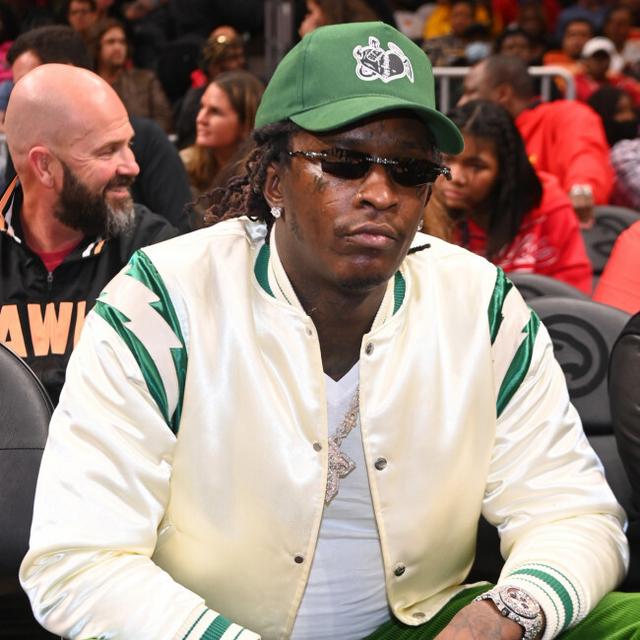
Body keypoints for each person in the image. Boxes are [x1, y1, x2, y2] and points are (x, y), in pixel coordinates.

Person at [20, 21, 637, 640]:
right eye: (343, 162)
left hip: (423, 623)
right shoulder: (162, 301)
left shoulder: (480, 302)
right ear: (273, 180)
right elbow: (76, 560)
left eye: (409, 169)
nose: (380, 194)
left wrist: (509, 614)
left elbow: (574, 510)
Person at [0, 63, 177, 405]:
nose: (132, 166)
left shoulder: (155, 254)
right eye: (107, 151)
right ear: (45, 166)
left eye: (128, 144)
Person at [4, 24, 193, 231]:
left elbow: (182, 233)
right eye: (16, 86)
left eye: (27, 82)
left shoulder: (147, 138)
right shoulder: (24, 145)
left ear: (69, 72)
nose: (19, 96)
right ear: (43, 164)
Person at [427, 100, 593, 293]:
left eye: (476, 166)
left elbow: (572, 292)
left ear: (504, 171)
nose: (456, 177)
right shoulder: (422, 206)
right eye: (446, 160)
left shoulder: (549, 207)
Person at [459, 54, 614, 226]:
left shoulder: (566, 115)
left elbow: (586, 155)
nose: (461, 103)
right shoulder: (474, 134)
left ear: (503, 94)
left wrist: (582, 188)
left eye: (470, 92)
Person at [180, 70, 264, 211]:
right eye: (202, 107)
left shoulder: (258, 181)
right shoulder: (184, 165)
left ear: (245, 124)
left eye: (215, 112)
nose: (200, 118)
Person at [89, 17, 173, 133]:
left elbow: (163, 119)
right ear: (97, 47)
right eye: (111, 42)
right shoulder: (88, 84)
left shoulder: (146, 80)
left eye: (122, 42)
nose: (118, 47)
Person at [587, 85, 640, 212]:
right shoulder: (620, 154)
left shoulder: (632, 145)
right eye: (620, 112)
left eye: (630, 110)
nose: (628, 117)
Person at [574, 36, 640, 105]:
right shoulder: (575, 83)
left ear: (610, 61)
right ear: (586, 60)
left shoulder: (619, 82)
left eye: (604, 57)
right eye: (596, 57)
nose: (600, 62)